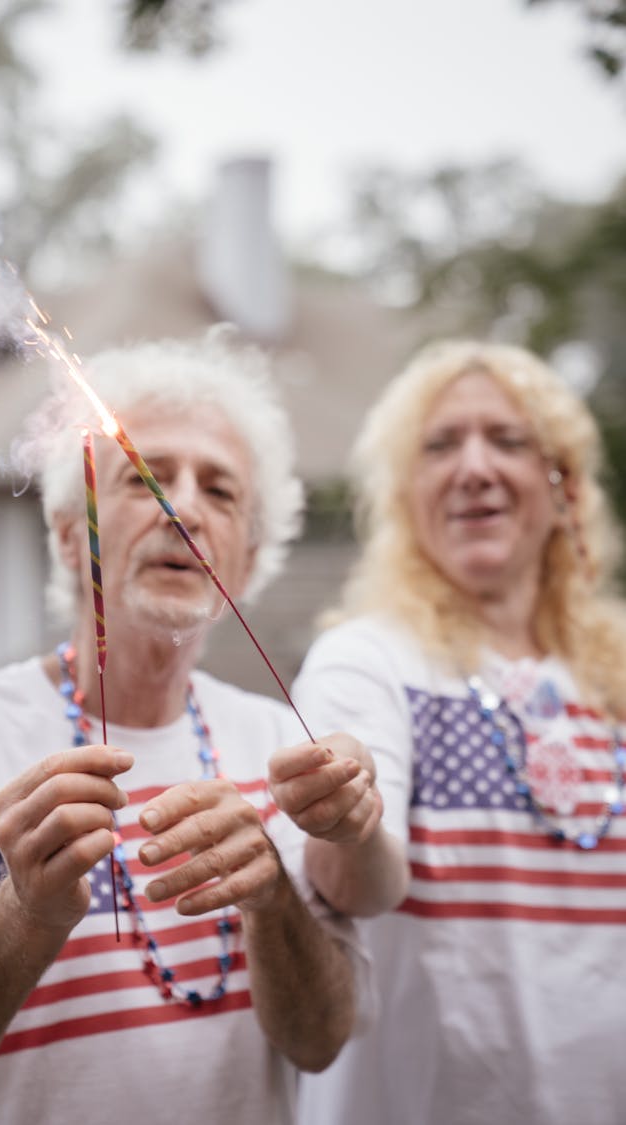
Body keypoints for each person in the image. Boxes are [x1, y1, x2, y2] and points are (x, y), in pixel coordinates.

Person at [0, 334, 371, 1125]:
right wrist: (25, 910)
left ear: (243, 562)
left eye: (220, 489)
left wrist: (274, 898)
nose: (183, 506)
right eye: (146, 478)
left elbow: (319, 1043)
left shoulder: (285, 749)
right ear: (73, 538)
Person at [268, 339, 626, 1125]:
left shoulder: (616, 680)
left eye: (507, 438)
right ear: (408, 492)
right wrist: (349, 820)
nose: (474, 466)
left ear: (559, 478)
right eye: (440, 445)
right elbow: (359, 885)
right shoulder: (369, 661)